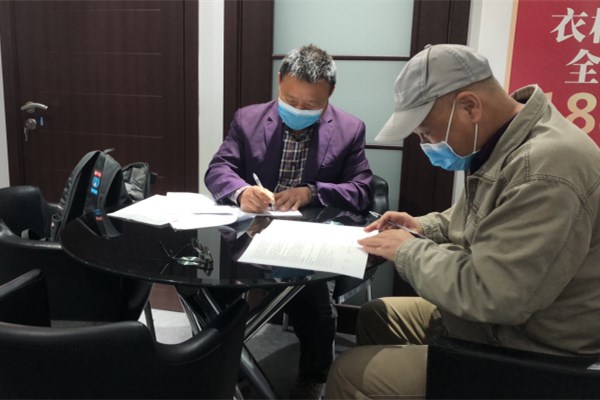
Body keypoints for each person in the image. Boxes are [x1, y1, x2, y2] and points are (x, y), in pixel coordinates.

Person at [325, 43, 600, 399]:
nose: (425, 145)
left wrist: (407, 250)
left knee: (349, 373)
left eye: (427, 133)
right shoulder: (506, 142)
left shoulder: (545, 168)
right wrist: (422, 227)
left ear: (469, 107)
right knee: (377, 314)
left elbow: (493, 294)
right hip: (508, 322)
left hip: (531, 348)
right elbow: (471, 218)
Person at [205, 44, 372, 398]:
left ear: (330, 93)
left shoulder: (349, 129)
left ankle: (313, 378)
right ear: (279, 81)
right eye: (291, 100)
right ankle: (223, 370)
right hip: (251, 231)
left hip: (309, 237)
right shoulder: (248, 120)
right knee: (213, 290)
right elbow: (219, 169)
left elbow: (362, 190)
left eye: (311, 105)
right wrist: (241, 192)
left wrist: (312, 192)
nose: (299, 109)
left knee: (315, 306)